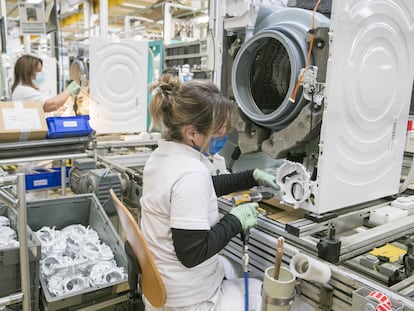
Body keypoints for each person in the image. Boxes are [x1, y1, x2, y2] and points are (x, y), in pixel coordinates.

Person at [140, 73, 280, 311]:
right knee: (265, 291)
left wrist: (250, 176)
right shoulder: (190, 174)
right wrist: (235, 221)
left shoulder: (163, 156)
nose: (224, 134)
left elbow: (202, 189)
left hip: (162, 285)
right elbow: (193, 253)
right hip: (189, 301)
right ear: (192, 133)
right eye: (219, 130)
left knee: (232, 266)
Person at [11, 54, 80, 113]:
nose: (40, 74)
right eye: (38, 71)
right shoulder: (24, 90)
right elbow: (52, 105)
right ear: (28, 72)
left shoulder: (24, 89)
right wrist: (69, 90)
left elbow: (48, 102)